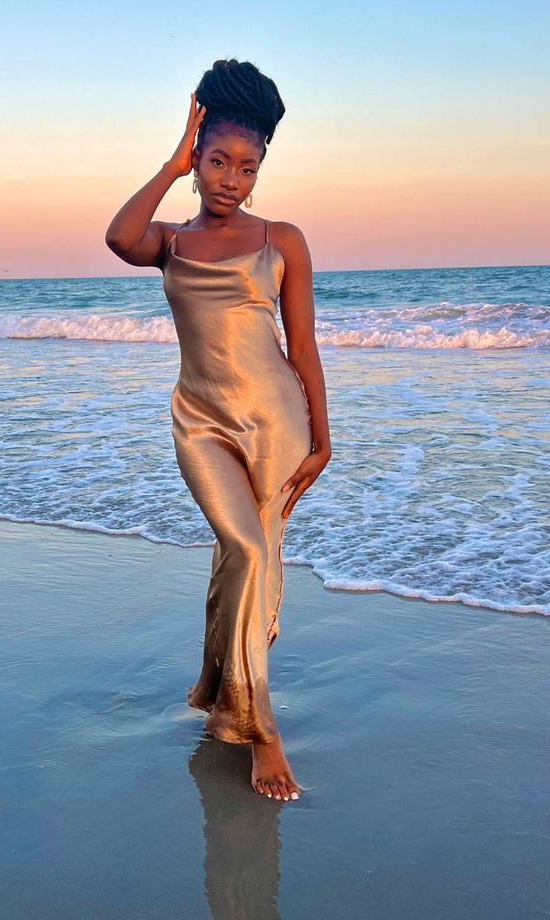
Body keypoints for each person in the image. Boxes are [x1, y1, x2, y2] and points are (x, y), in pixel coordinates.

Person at [105, 58, 332, 802]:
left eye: (249, 167)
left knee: (250, 567)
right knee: (241, 546)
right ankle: (261, 728)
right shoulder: (170, 242)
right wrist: (169, 164)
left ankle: (221, 697)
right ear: (198, 159)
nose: (232, 179)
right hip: (200, 421)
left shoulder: (284, 239)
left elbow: (303, 350)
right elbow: (118, 235)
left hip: (277, 425)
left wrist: (324, 437)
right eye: (217, 162)